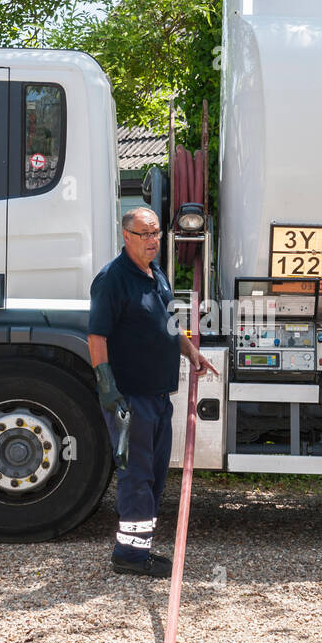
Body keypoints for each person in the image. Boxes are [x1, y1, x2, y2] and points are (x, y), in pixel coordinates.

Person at [88, 207, 218, 577]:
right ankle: (128, 557)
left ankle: (140, 549)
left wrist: (191, 351)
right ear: (126, 235)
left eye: (157, 233)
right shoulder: (112, 279)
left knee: (156, 473)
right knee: (137, 475)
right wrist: (108, 388)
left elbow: (167, 323)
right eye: (145, 234)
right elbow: (96, 335)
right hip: (130, 397)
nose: (153, 241)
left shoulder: (155, 273)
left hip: (159, 396)